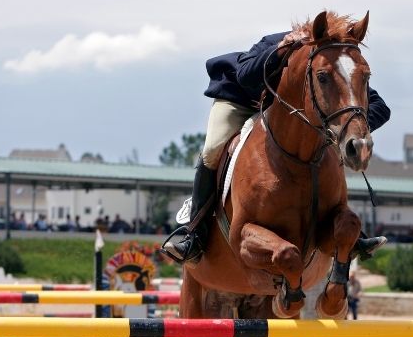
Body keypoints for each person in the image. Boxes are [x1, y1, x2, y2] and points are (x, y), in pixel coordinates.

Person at [164, 23, 391, 264]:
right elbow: (245, 75)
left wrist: (345, 128)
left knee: (322, 150)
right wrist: (281, 49)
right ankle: (194, 233)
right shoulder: (277, 42)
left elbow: (379, 107)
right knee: (212, 149)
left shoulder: (331, 65)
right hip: (241, 100)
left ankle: (345, 233)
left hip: (284, 117)